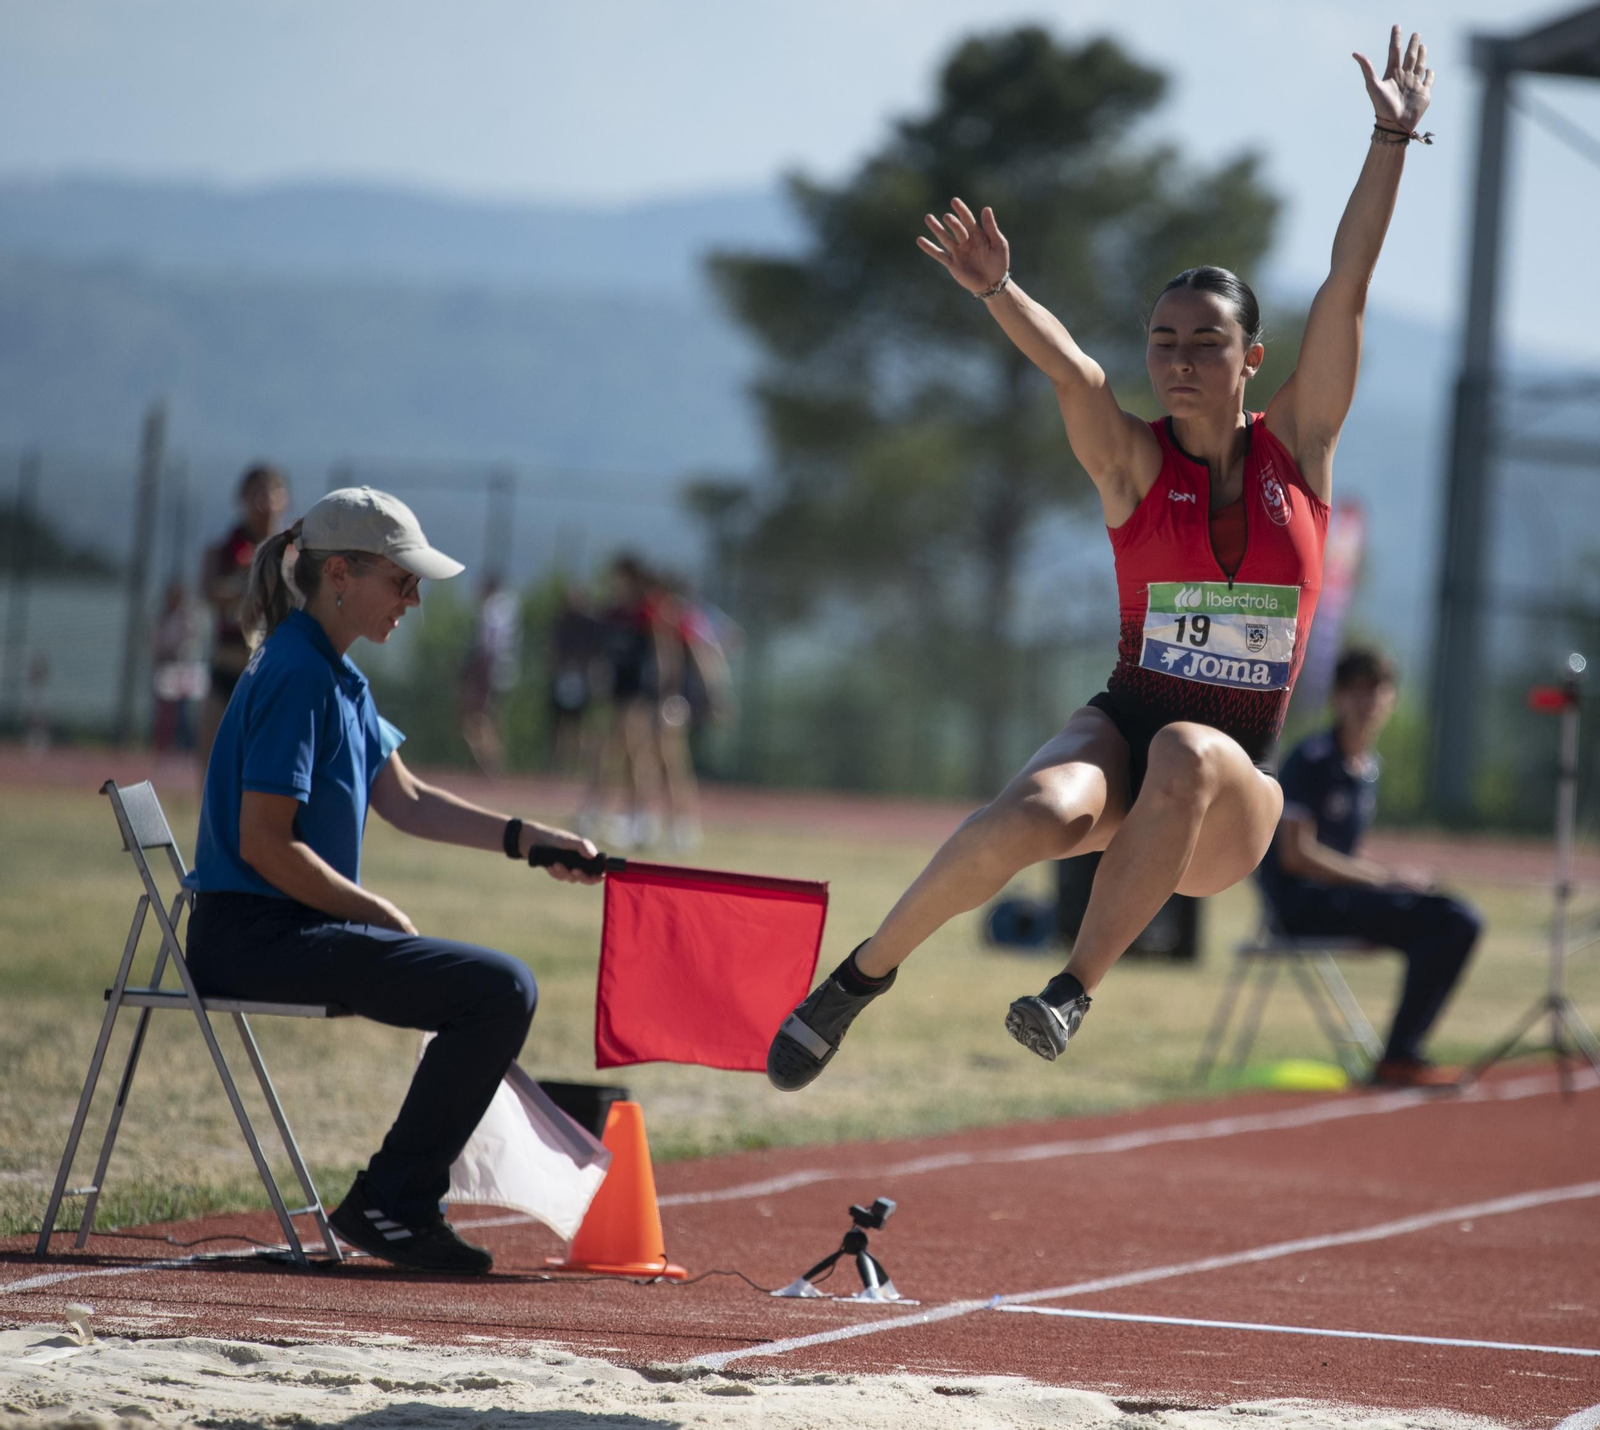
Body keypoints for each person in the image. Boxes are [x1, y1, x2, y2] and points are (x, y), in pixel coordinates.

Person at [768, 27, 1435, 1090]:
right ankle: (857, 975)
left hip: (1229, 786)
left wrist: (1391, 136)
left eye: (1204, 341)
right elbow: (1075, 374)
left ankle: (1071, 987)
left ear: (1251, 359)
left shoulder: (1298, 447)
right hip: (1124, 720)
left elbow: (1343, 289)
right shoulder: (1132, 463)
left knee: (1184, 748)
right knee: (1033, 810)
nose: (1177, 358)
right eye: (1162, 340)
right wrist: (998, 291)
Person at [182, 486, 601, 1273]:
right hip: (254, 938)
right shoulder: (300, 674)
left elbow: (406, 800)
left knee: (497, 987)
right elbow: (266, 847)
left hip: (288, 930)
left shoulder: (336, 674)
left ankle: (397, 1197)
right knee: (497, 991)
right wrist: (372, 909)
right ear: (339, 573)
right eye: (401, 581)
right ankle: (394, 1203)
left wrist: (528, 839)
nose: (412, 600)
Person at [1257, 649, 1478, 1088]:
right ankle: (1400, 1056)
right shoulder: (1313, 758)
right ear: (1337, 698)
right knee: (1449, 918)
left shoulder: (1369, 768)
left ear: (1392, 699)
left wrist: (1395, 879)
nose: (1367, 701)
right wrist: (1384, 878)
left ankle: (1401, 1052)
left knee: (1454, 917)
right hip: (1300, 906)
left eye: (1377, 690)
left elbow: (1347, 858)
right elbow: (1295, 855)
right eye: (1356, 690)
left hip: (1339, 898)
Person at [197, 464, 290, 775]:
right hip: (226, 671)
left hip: (272, 676)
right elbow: (210, 591)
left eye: (271, 492)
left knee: (266, 773)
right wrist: (254, 583)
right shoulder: (222, 551)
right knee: (212, 770)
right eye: (255, 493)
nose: (263, 501)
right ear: (241, 499)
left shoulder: (294, 556)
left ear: (284, 498)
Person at [459, 574, 522, 776]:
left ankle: (489, 761)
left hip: (488, 668)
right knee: (493, 716)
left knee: (479, 717)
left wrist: (479, 670)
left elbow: (489, 645)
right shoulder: (507, 608)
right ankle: (492, 761)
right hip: (503, 669)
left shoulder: (491, 610)